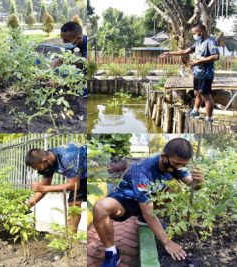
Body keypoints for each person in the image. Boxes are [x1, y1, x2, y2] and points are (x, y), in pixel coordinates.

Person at [93, 138, 204, 267]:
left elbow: (191, 184)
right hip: (126, 201)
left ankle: (144, 221)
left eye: (183, 165)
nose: (180, 168)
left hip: (148, 200)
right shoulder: (141, 171)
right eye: (177, 163)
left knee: (175, 186)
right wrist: (167, 242)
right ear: (163, 156)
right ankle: (111, 252)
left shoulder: (176, 165)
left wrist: (199, 181)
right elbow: (149, 213)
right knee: (100, 207)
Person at [159, 23, 219, 123]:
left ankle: (208, 118)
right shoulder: (199, 42)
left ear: (201, 31)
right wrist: (169, 53)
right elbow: (185, 51)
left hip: (206, 74)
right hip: (197, 73)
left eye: (194, 32)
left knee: (206, 95)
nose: (193, 34)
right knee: (197, 93)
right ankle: (195, 111)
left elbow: (216, 56)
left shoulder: (210, 42)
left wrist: (198, 61)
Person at [25, 143, 87, 233]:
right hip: (79, 175)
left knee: (74, 204)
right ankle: (72, 238)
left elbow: (73, 185)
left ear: (44, 160)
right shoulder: (48, 163)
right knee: (74, 203)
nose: (38, 170)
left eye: (38, 167)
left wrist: (43, 188)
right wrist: (26, 206)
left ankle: (72, 238)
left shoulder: (67, 157)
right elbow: (43, 189)